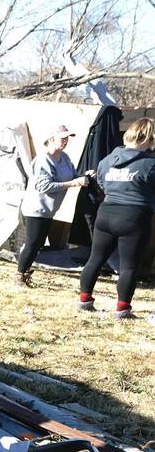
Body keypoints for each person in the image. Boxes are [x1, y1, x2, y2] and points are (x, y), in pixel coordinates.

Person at [78, 117, 155, 319]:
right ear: (149, 138)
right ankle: (122, 309)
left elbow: (101, 183)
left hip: (106, 213)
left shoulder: (107, 160)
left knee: (95, 259)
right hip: (134, 217)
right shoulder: (150, 164)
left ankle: (84, 300)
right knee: (129, 266)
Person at [17, 124, 91, 286]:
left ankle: (25, 271)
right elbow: (44, 186)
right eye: (62, 138)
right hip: (36, 208)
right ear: (51, 138)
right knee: (33, 242)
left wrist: (84, 176)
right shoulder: (43, 160)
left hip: (49, 210)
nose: (65, 141)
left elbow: (73, 174)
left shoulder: (64, 158)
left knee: (39, 243)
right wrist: (73, 183)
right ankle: (20, 275)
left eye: (67, 138)